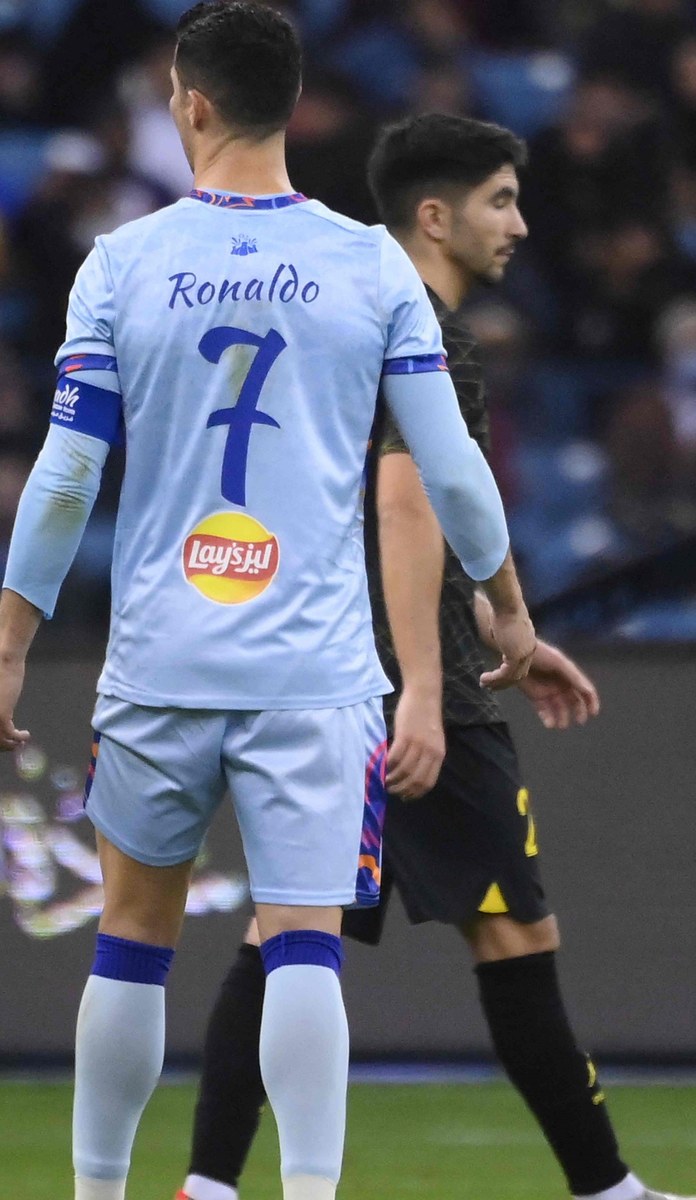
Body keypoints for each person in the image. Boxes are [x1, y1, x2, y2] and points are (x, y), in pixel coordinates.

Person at [0, 8, 535, 1200]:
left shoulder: (121, 261)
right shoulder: (370, 263)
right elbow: (454, 470)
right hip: (314, 677)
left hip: (163, 661)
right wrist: (509, 610)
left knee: (130, 945)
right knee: (305, 947)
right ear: (291, 100)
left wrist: (10, 646)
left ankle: (99, 1193)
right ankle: (308, 1195)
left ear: (192, 104)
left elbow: (67, 472)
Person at [176, 113, 692, 1200]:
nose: (519, 223)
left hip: (305, 663)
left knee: (286, 930)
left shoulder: (326, 317)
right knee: (511, 932)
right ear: (433, 213)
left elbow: (429, 498)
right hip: (414, 685)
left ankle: (207, 1188)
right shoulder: (425, 335)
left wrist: (511, 619)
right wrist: (422, 687)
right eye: (501, 199)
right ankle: (608, 1191)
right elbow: (409, 506)